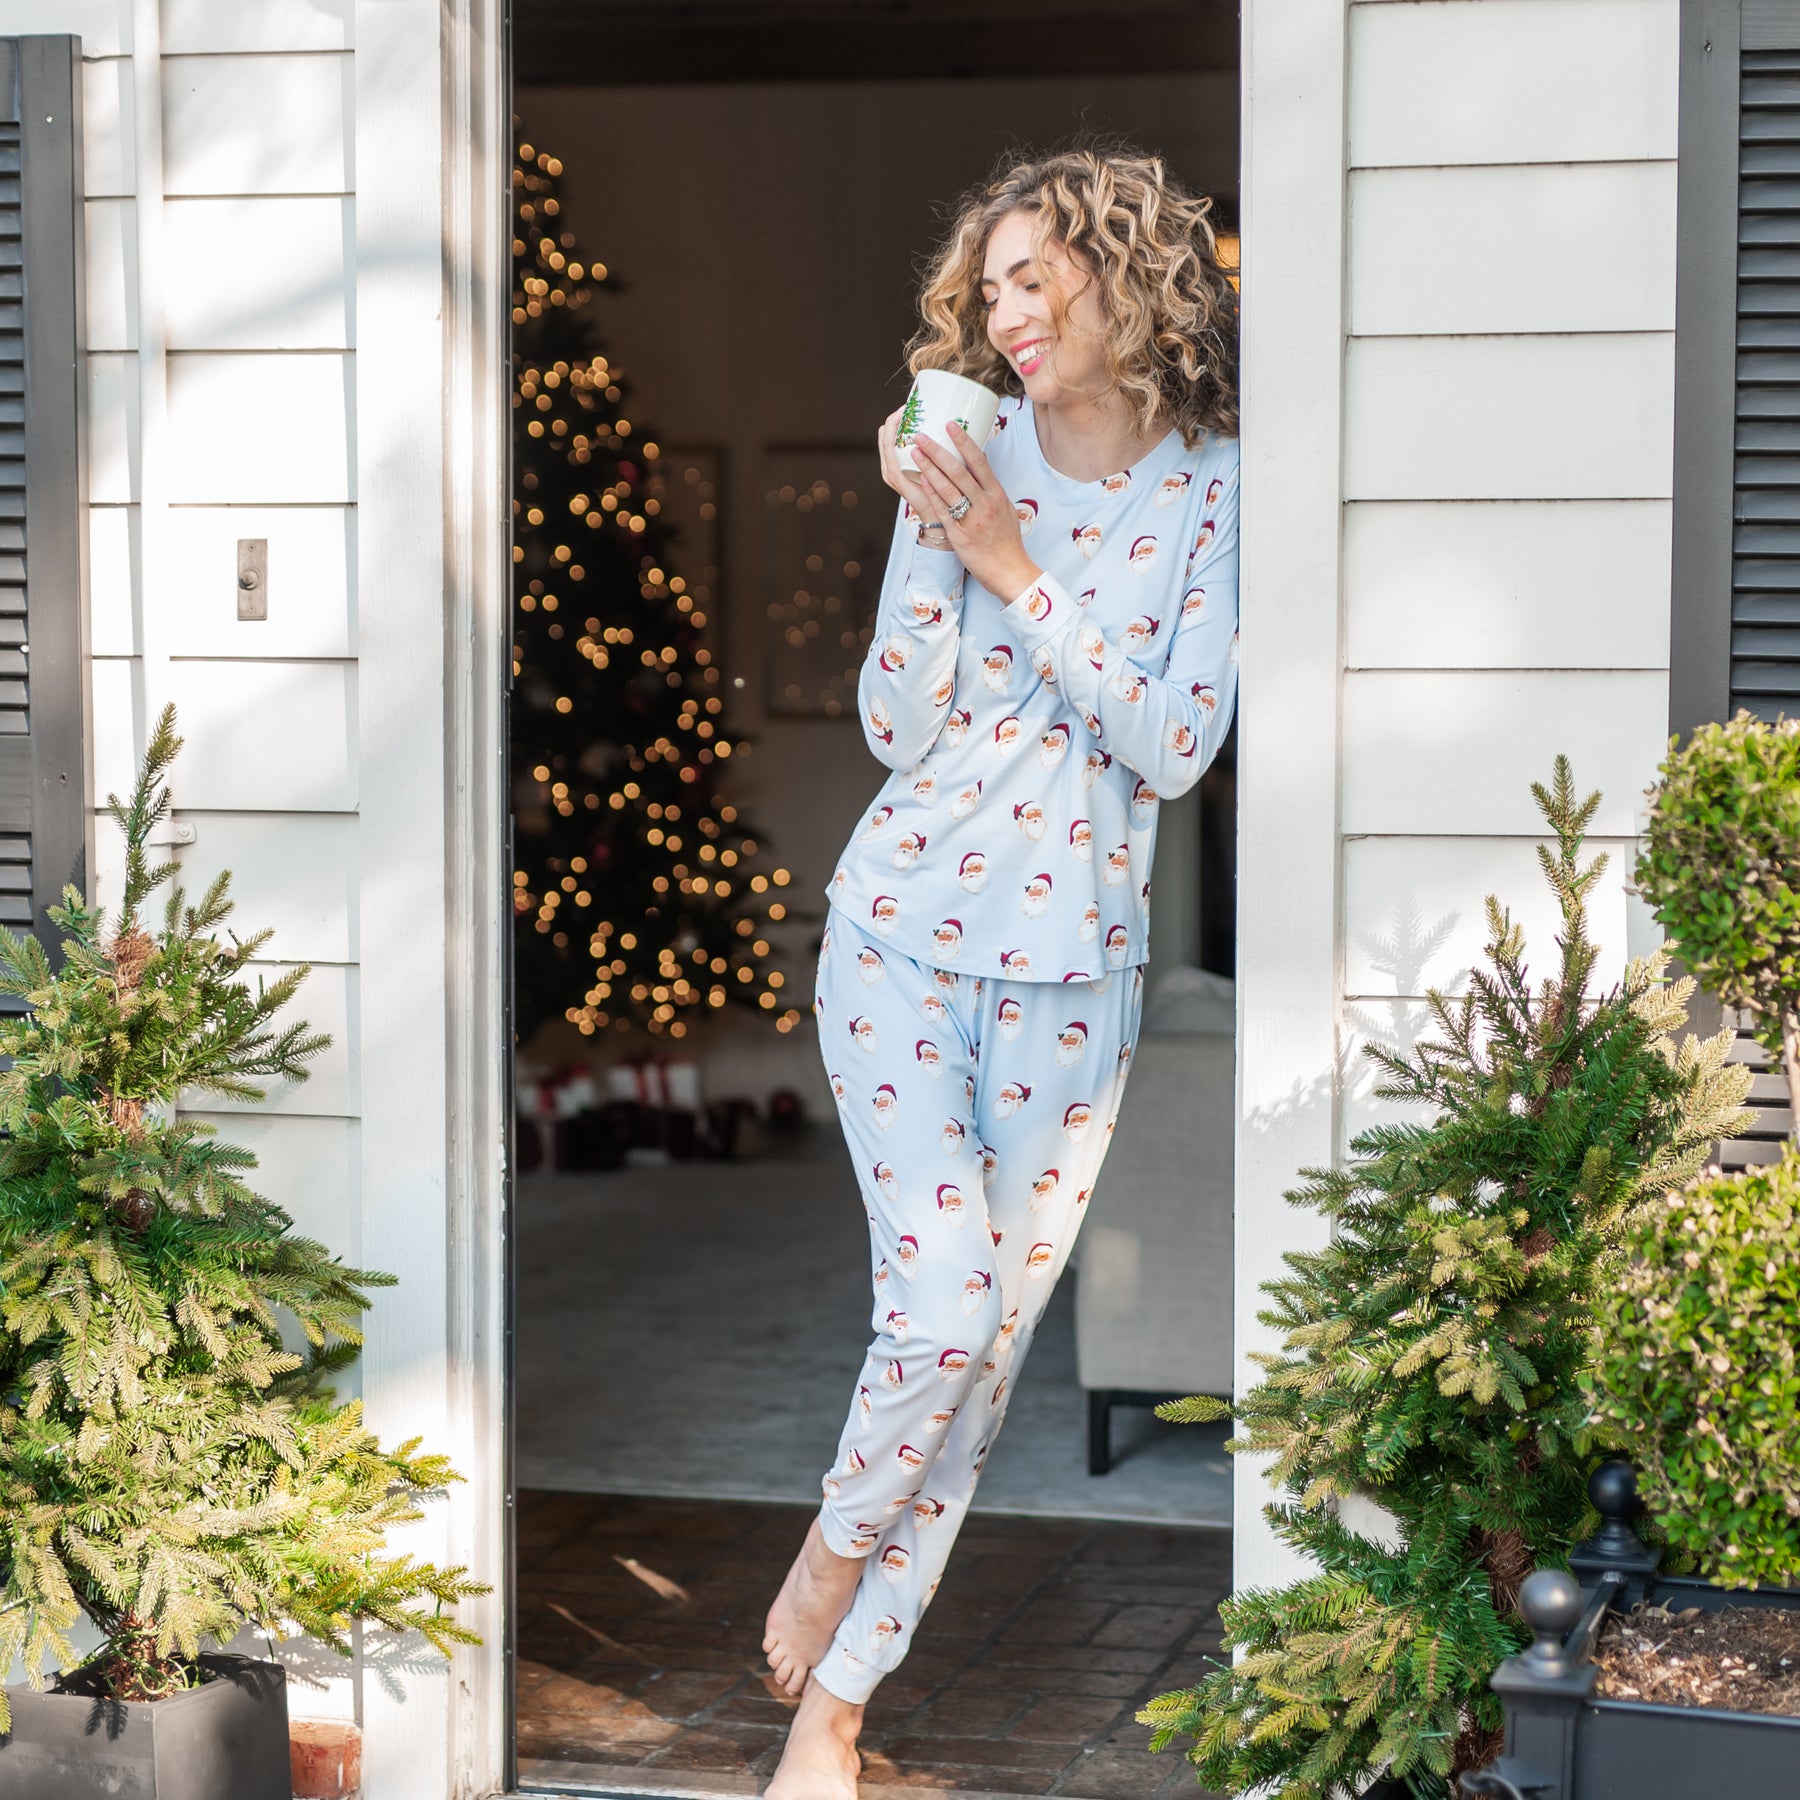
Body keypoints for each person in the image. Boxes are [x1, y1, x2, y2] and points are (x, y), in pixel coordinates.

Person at [762, 140, 1240, 1798]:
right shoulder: (965, 446)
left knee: (978, 1357)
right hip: (896, 938)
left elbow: (1177, 743)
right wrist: (928, 535)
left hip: (1073, 977)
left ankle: (833, 1715)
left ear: (1134, 279)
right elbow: (898, 727)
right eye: (994, 285)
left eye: (1043, 278)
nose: (1009, 310)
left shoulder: (1208, 487)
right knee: (943, 1300)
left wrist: (1018, 575)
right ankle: (831, 1564)